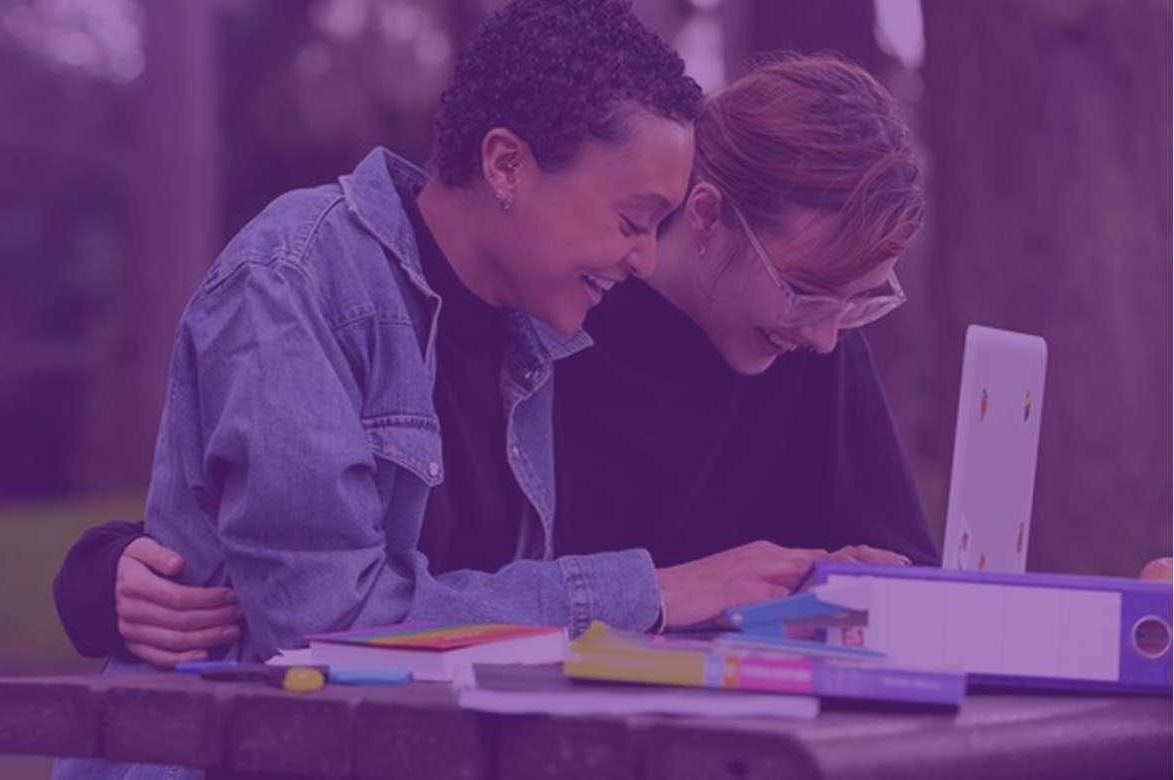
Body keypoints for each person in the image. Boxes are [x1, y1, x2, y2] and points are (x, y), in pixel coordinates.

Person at [53, 51, 935, 670]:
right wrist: (107, 574)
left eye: (860, 303)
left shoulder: (809, 346)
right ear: (705, 216)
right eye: (807, 291)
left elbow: (901, 578)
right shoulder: (549, 311)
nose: (828, 332)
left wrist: (864, 590)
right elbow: (334, 561)